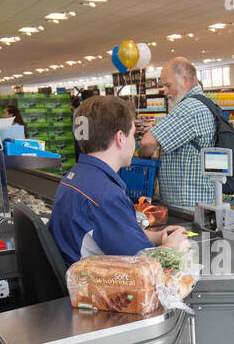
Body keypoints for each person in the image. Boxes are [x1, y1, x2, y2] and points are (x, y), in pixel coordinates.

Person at [49, 96, 189, 266]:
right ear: (120, 138)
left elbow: (115, 237)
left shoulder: (77, 176)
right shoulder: (105, 196)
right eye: (133, 135)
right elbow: (144, 267)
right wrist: (172, 249)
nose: (134, 142)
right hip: (96, 288)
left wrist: (158, 237)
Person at [135, 57, 220, 210]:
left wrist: (142, 156)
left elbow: (147, 143)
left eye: (168, 85)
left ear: (186, 80)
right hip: (198, 200)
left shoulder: (189, 107)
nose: (165, 92)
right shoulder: (203, 103)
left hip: (188, 204)